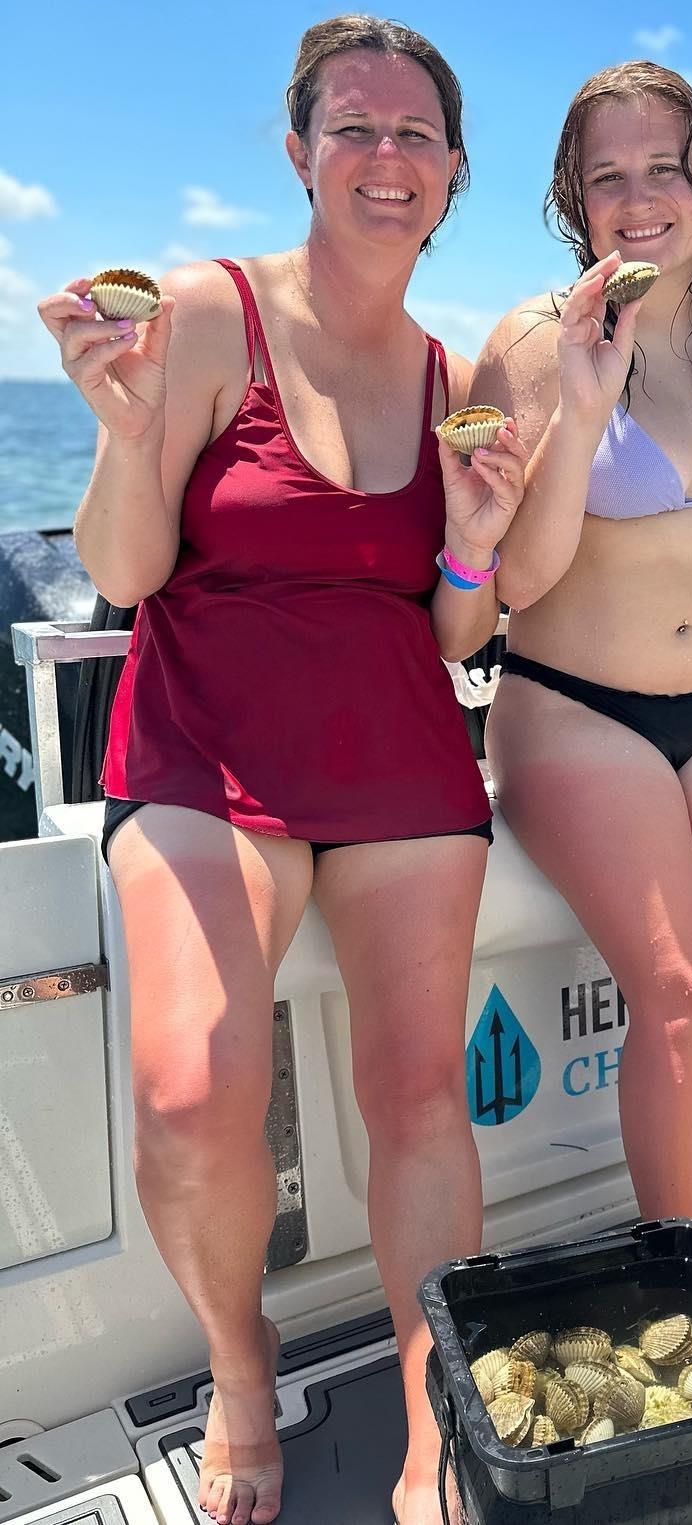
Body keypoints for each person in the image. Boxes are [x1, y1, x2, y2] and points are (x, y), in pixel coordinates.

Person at [36, 18, 526, 1525]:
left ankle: (437, 1413)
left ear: (452, 174)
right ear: (302, 151)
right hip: (203, 744)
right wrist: (120, 437)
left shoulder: (455, 375)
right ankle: (240, 1374)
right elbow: (124, 570)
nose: (387, 160)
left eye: (416, 137)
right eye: (355, 131)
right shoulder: (203, 311)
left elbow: (454, 623)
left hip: (393, 745)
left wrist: (482, 532)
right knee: (191, 1091)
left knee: (420, 1092)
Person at [473, 61, 692, 1307]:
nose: (639, 200)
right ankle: (689, 1300)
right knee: (679, 995)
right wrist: (579, 409)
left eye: (663, 169)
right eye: (606, 177)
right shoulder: (533, 341)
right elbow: (516, 581)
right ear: (572, 199)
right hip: (577, 709)